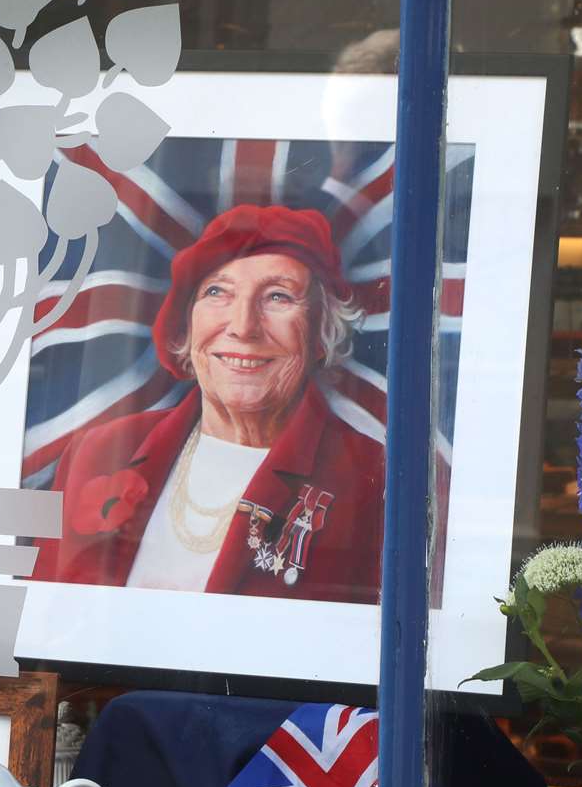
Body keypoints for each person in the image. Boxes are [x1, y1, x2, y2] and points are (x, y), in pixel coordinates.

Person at [32, 204, 385, 603]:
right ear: (187, 322)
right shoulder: (99, 451)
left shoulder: (373, 479)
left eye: (278, 297)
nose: (243, 327)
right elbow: (45, 623)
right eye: (217, 292)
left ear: (322, 332)